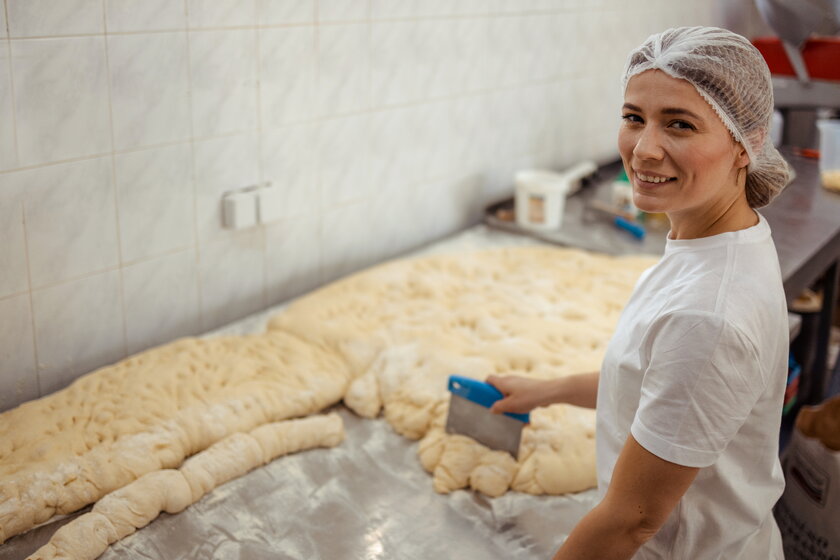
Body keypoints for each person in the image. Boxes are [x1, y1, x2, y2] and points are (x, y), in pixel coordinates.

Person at [488, 27, 792, 560]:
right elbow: (654, 381)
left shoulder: (710, 313)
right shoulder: (711, 242)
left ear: (748, 142)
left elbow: (630, 523)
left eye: (679, 124)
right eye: (634, 118)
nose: (645, 149)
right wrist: (548, 390)